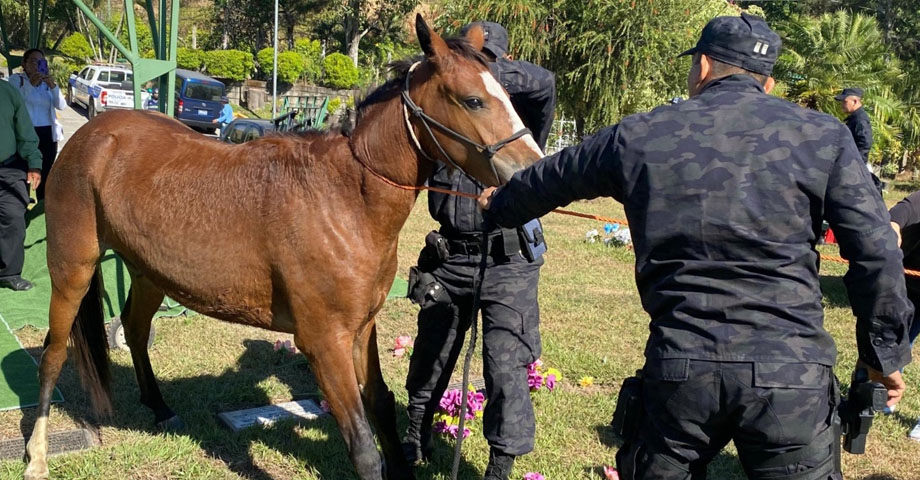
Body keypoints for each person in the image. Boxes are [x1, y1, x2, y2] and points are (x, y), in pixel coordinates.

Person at [479, 13, 911, 479]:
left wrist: (499, 203)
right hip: (792, 377)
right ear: (767, 83)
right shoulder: (825, 136)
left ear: (703, 67)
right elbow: (876, 250)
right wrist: (881, 356)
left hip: (680, 372)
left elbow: (546, 180)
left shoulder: (638, 133)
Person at [402, 21, 556, 480]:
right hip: (450, 257)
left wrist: (485, 76)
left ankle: (500, 465)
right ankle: (414, 433)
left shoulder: (519, 119)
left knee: (505, 364)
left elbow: (545, 83)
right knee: (432, 351)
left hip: (508, 261)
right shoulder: (448, 111)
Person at [0, 77, 43, 291]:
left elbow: (25, 131)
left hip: (8, 168)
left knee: (13, 217)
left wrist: (34, 163)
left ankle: (9, 273)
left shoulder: (8, 92)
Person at [9, 48, 66, 202]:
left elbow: (61, 105)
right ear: (24, 64)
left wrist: (53, 86)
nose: (37, 65)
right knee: (23, 170)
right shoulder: (17, 80)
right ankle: (22, 202)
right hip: (25, 132)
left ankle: (43, 203)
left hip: (47, 132)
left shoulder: (47, 83)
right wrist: (31, 85)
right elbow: (15, 102)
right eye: (33, 61)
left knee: (45, 171)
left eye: (41, 62)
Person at [835, 87, 883, 194]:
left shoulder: (860, 119)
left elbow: (865, 142)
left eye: (845, 101)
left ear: (855, 101)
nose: (842, 104)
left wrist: (857, 164)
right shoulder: (854, 118)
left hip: (856, 163)